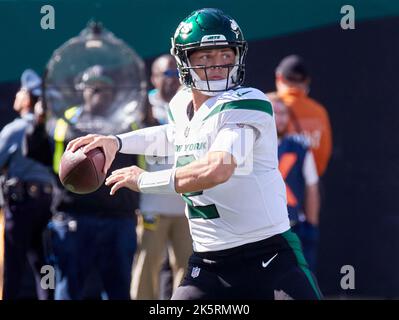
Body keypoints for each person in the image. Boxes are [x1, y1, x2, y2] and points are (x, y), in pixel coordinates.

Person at [67, 8, 323, 300]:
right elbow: (173, 135)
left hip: (269, 258)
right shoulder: (180, 105)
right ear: (184, 60)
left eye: (225, 55)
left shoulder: (248, 103)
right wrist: (116, 142)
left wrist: (144, 180)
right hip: (209, 264)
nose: (218, 65)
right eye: (205, 57)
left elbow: (217, 169)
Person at [47, 65, 139, 300]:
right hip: (75, 217)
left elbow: (141, 163)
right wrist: (37, 124)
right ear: (81, 90)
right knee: (68, 289)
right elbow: (43, 157)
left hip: (118, 219)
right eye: (93, 87)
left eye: (106, 87)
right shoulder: (65, 121)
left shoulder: (128, 121)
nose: (100, 92)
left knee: (119, 291)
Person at [131, 54, 191, 300]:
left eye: (177, 73)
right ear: (154, 78)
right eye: (167, 74)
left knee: (187, 267)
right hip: (151, 204)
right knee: (148, 264)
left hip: (185, 203)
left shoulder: (190, 105)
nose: (174, 79)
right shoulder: (139, 108)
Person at [0, 69, 54, 300]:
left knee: (13, 268)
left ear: (28, 99)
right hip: (48, 206)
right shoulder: (52, 128)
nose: (16, 95)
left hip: (21, 207)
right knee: (44, 267)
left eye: (21, 91)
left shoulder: (15, 129)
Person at [271, 94, 320, 272]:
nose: (280, 117)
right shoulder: (251, 146)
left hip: (294, 228)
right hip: (263, 231)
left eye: (284, 113)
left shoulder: (299, 147)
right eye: (275, 112)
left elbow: (312, 185)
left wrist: (311, 226)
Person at [271, 55, 333, 177]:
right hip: (305, 188)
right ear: (306, 82)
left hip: (273, 186)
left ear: (279, 78)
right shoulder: (319, 112)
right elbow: (323, 157)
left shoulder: (269, 106)